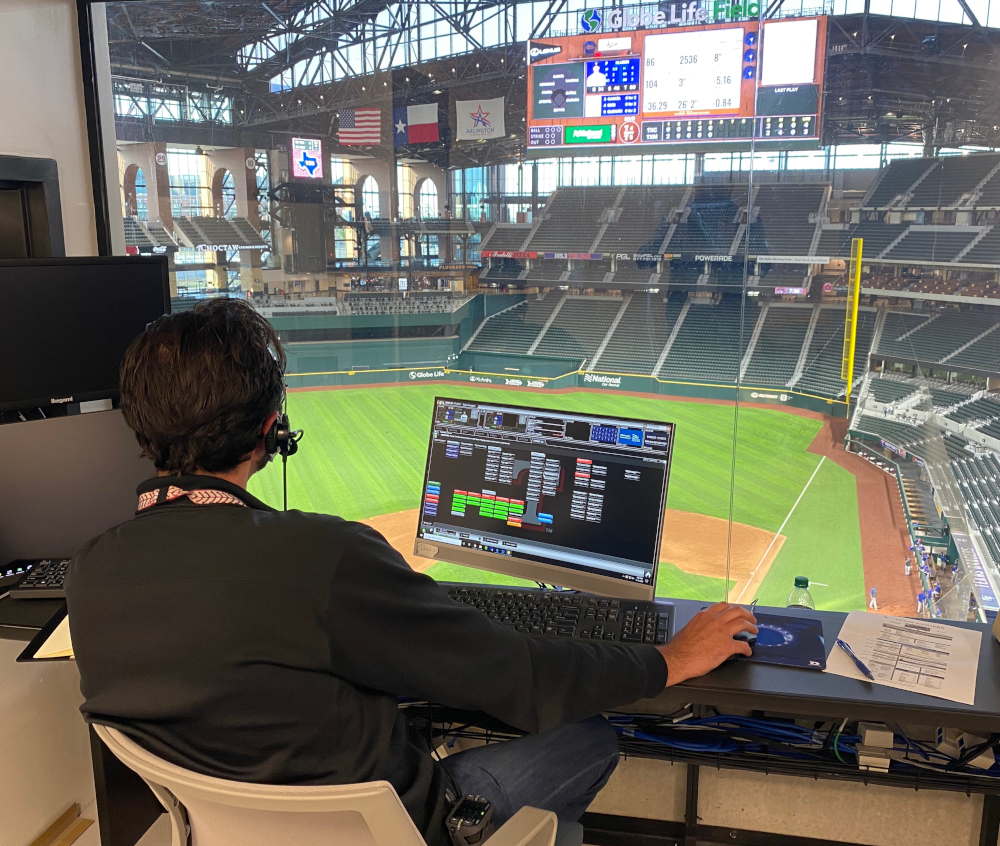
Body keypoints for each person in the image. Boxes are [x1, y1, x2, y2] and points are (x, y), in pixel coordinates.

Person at [65, 299, 756, 846]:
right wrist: (667, 658)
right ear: (272, 430)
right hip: (399, 830)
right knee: (589, 737)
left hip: (229, 832)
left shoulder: (88, 576)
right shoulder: (324, 557)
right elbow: (518, 677)